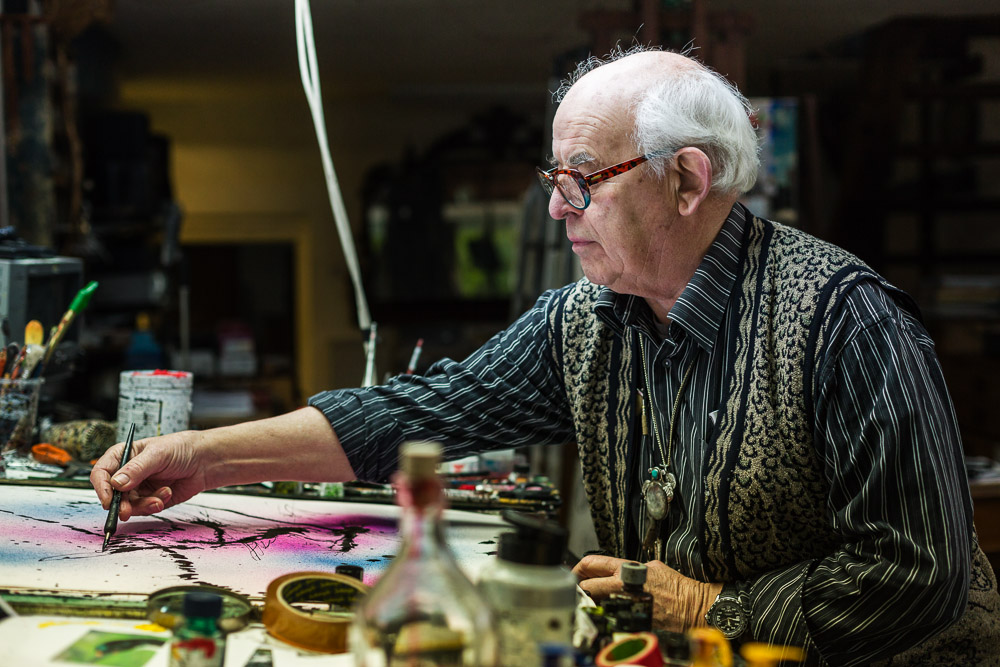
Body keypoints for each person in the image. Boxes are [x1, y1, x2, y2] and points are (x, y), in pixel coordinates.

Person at [92, 47, 999, 664]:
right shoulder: (588, 319)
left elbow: (916, 571)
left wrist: (707, 606)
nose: (558, 209)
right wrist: (204, 456)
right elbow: (415, 414)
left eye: (581, 181)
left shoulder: (845, 319)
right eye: (553, 182)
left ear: (686, 179)